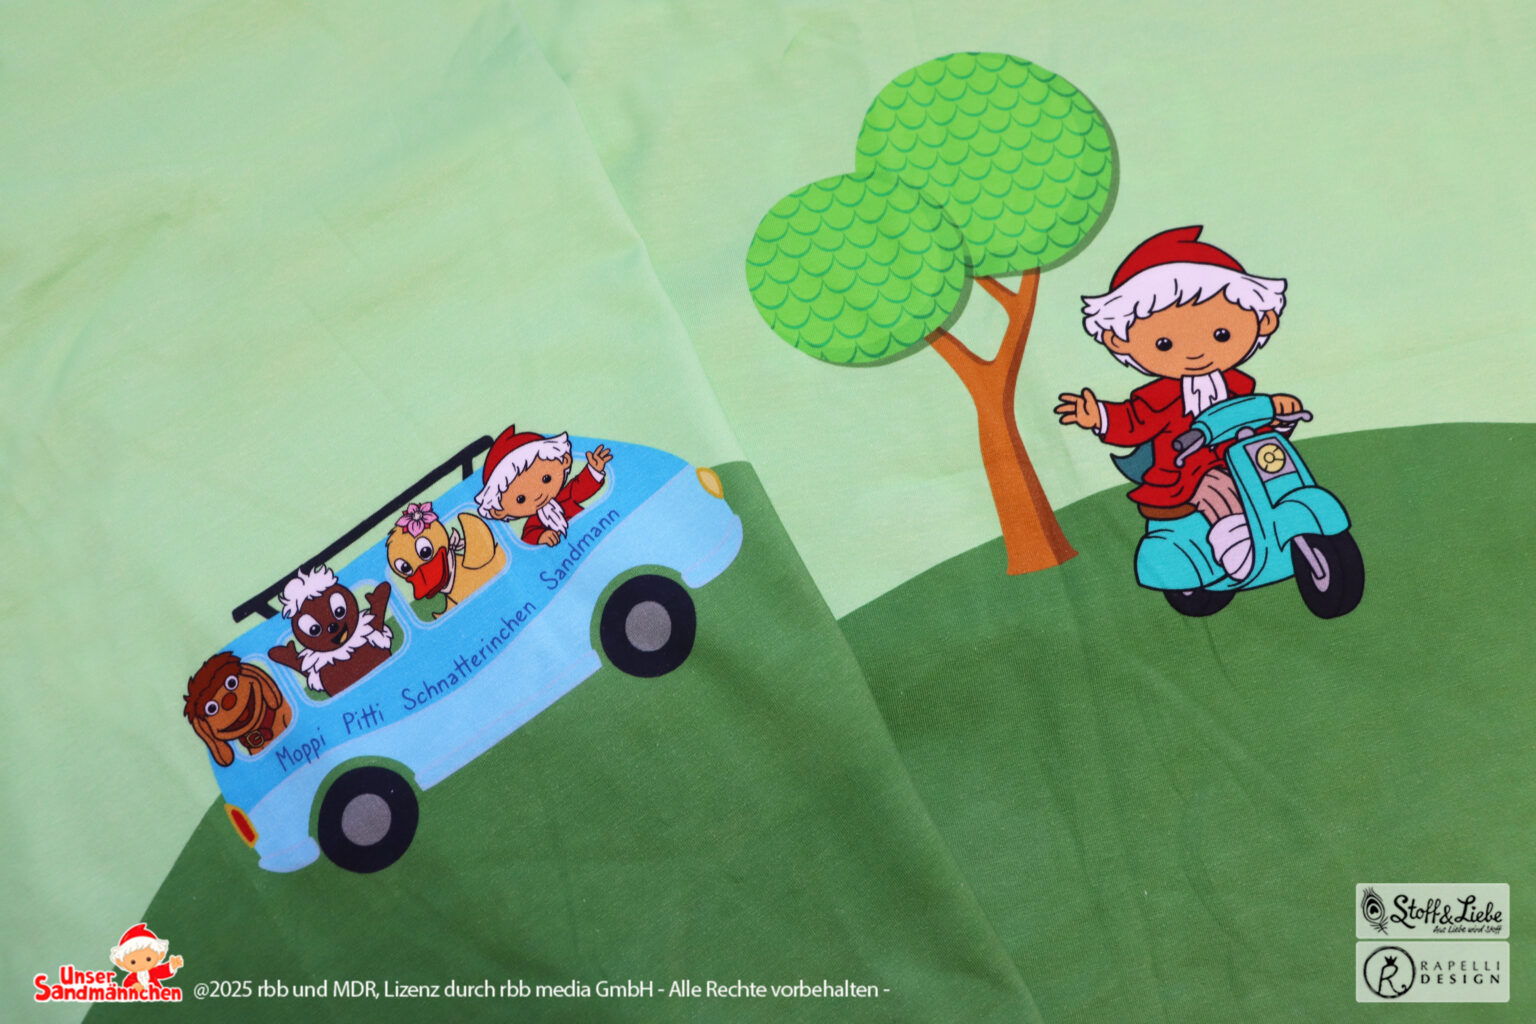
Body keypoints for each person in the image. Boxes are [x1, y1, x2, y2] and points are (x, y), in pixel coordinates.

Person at [1056, 226, 1299, 579]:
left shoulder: (1239, 384)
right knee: (1219, 488)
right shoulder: (1159, 398)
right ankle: (1236, 545)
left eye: (1221, 335)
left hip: (1241, 457)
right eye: (1165, 344)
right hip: (1185, 472)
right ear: (1118, 340)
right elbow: (1133, 421)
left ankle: (1287, 531)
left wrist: (1279, 414)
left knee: (1277, 476)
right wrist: (1100, 416)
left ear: (1265, 320)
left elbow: (1252, 417)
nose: (1196, 352)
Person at [475, 426, 612, 546]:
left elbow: (581, 488)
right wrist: (541, 537)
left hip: (596, 533)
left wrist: (594, 469)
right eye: (521, 499)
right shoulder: (534, 522)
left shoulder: (565, 497)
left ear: (565, 460)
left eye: (546, 479)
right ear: (499, 511)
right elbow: (529, 536)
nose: (538, 495)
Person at [110, 924, 183, 992]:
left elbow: (163, 971)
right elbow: (127, 983)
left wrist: (172, 966)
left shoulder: (153, 972)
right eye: (133, 962)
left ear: (160, 955)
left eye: (148, 959)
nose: (141, 964)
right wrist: (135, 985)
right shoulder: (132, 977)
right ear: (120, 962)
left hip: (157, 995)